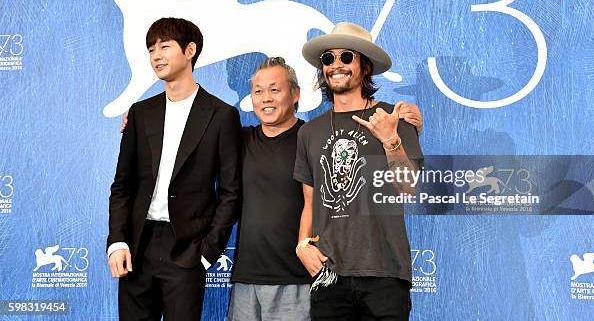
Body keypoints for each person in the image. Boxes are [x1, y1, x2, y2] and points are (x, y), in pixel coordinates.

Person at [118, 57, 423, 320]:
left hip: (299, 281)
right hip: (246, 282)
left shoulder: (310, 136)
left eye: (275, 90)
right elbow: (189, 139)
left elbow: (318, 200)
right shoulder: (237, 139)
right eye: (258, 92)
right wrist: (145, 118)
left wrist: (404, 130)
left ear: (295, 95)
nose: (266, 98)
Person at [107, 17, 242, 321]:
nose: (156, 55)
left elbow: (231, 192)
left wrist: (207, 254)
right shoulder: (140, 113)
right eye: (151, 48)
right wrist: (117, 240)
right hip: (137, 246)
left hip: (186, 248)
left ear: (190, 50)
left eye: (165, 46)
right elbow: (122, 185)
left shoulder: (221, 116)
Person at [293, 22, 424, 320]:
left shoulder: (394, 118)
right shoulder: (309, 132)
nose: (336, 65)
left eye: (346, 57)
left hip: (385, 274)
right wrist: (302, 245)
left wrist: (391, 140)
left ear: (365, 67)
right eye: (328, 58)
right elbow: (310, 202)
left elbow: (409, 188)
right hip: (329, 276)